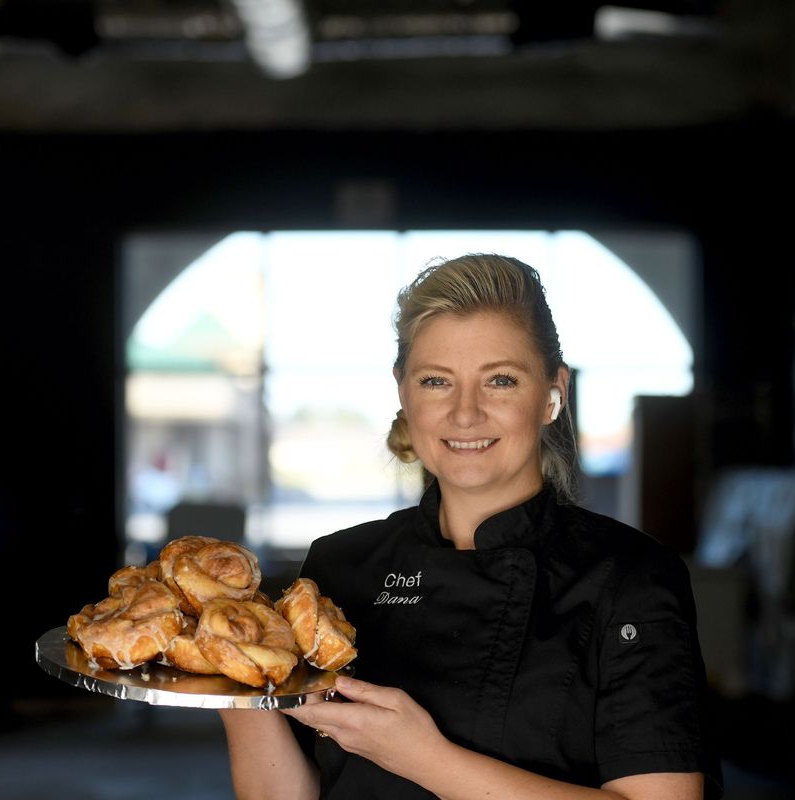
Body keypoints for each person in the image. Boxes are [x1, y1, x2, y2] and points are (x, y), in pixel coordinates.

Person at [218, 254, 722, 799]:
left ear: (554, 393)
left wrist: (423, 757)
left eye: (500, 380)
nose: (464, 413)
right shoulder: (337, 569)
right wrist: (228, 682)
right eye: (436, 381)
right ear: (403, 391)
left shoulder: (630, 581)